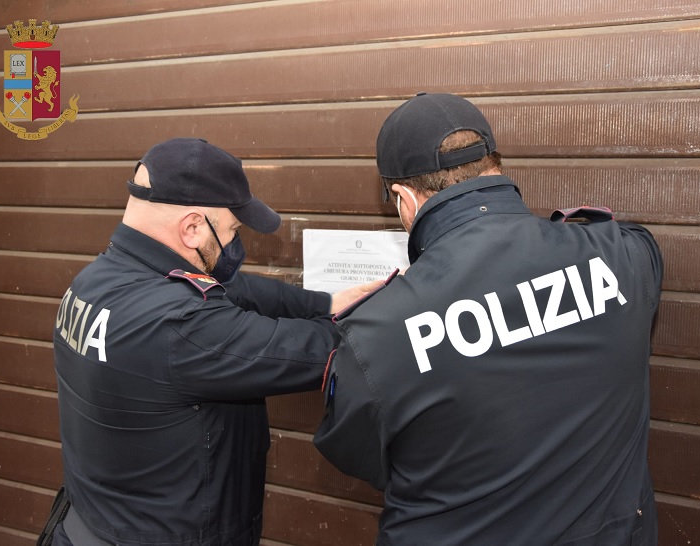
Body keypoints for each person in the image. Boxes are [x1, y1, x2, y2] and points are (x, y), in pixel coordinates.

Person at [313, 93, 663, 545]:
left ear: (403, 198)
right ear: (494, 166)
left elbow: (360, 455)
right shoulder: (623, 256)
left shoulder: (376, 335)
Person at [48, 138, 372, 546]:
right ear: (192, 228)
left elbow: (234, 289)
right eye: (232, 230)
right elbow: (312, 350)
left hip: (92, 526)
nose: (234, 243)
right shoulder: (179, 325)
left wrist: (327, 302)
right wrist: (399, 320)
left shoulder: (94, 282)